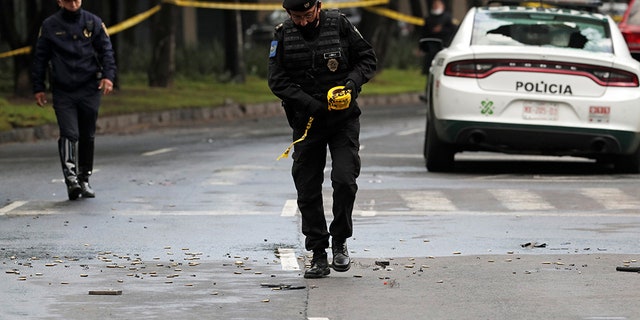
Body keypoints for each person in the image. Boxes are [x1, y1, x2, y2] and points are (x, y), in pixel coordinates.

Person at [268, 0, 377, 278]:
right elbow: (277, 81)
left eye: (307, 15)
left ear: (317, 7)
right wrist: (308, 103)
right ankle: (318, 253)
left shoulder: (339, 24)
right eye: (296, 16)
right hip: (307, 122)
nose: (302, 22)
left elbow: (367, 59)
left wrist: (351, 85)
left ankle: (339, 241)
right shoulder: (282, 34)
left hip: (343, 121)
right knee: (307, 189)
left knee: (344, 180)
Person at [32, 0, 116, 200]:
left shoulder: (92, 22)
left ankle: (84, 178)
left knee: (87, 135)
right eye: (68, 0)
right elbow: (40, 57)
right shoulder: (50, 26)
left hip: (89, 87)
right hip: (64, 90)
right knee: (69, 133)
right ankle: (71, 180)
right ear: (60, 2)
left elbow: (106, 51)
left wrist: (108, 77)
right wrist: (38, 87)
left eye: (76, 0)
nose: (73, 3)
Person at [419, 0, 456, 74]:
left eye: (438, 5)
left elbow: (452, 30)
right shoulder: (429, 18)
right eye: (435, 5)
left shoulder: (447, 17)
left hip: (443, 43)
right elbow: (424, 32)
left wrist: (441, 30)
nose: (436, 6)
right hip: (431, 44)